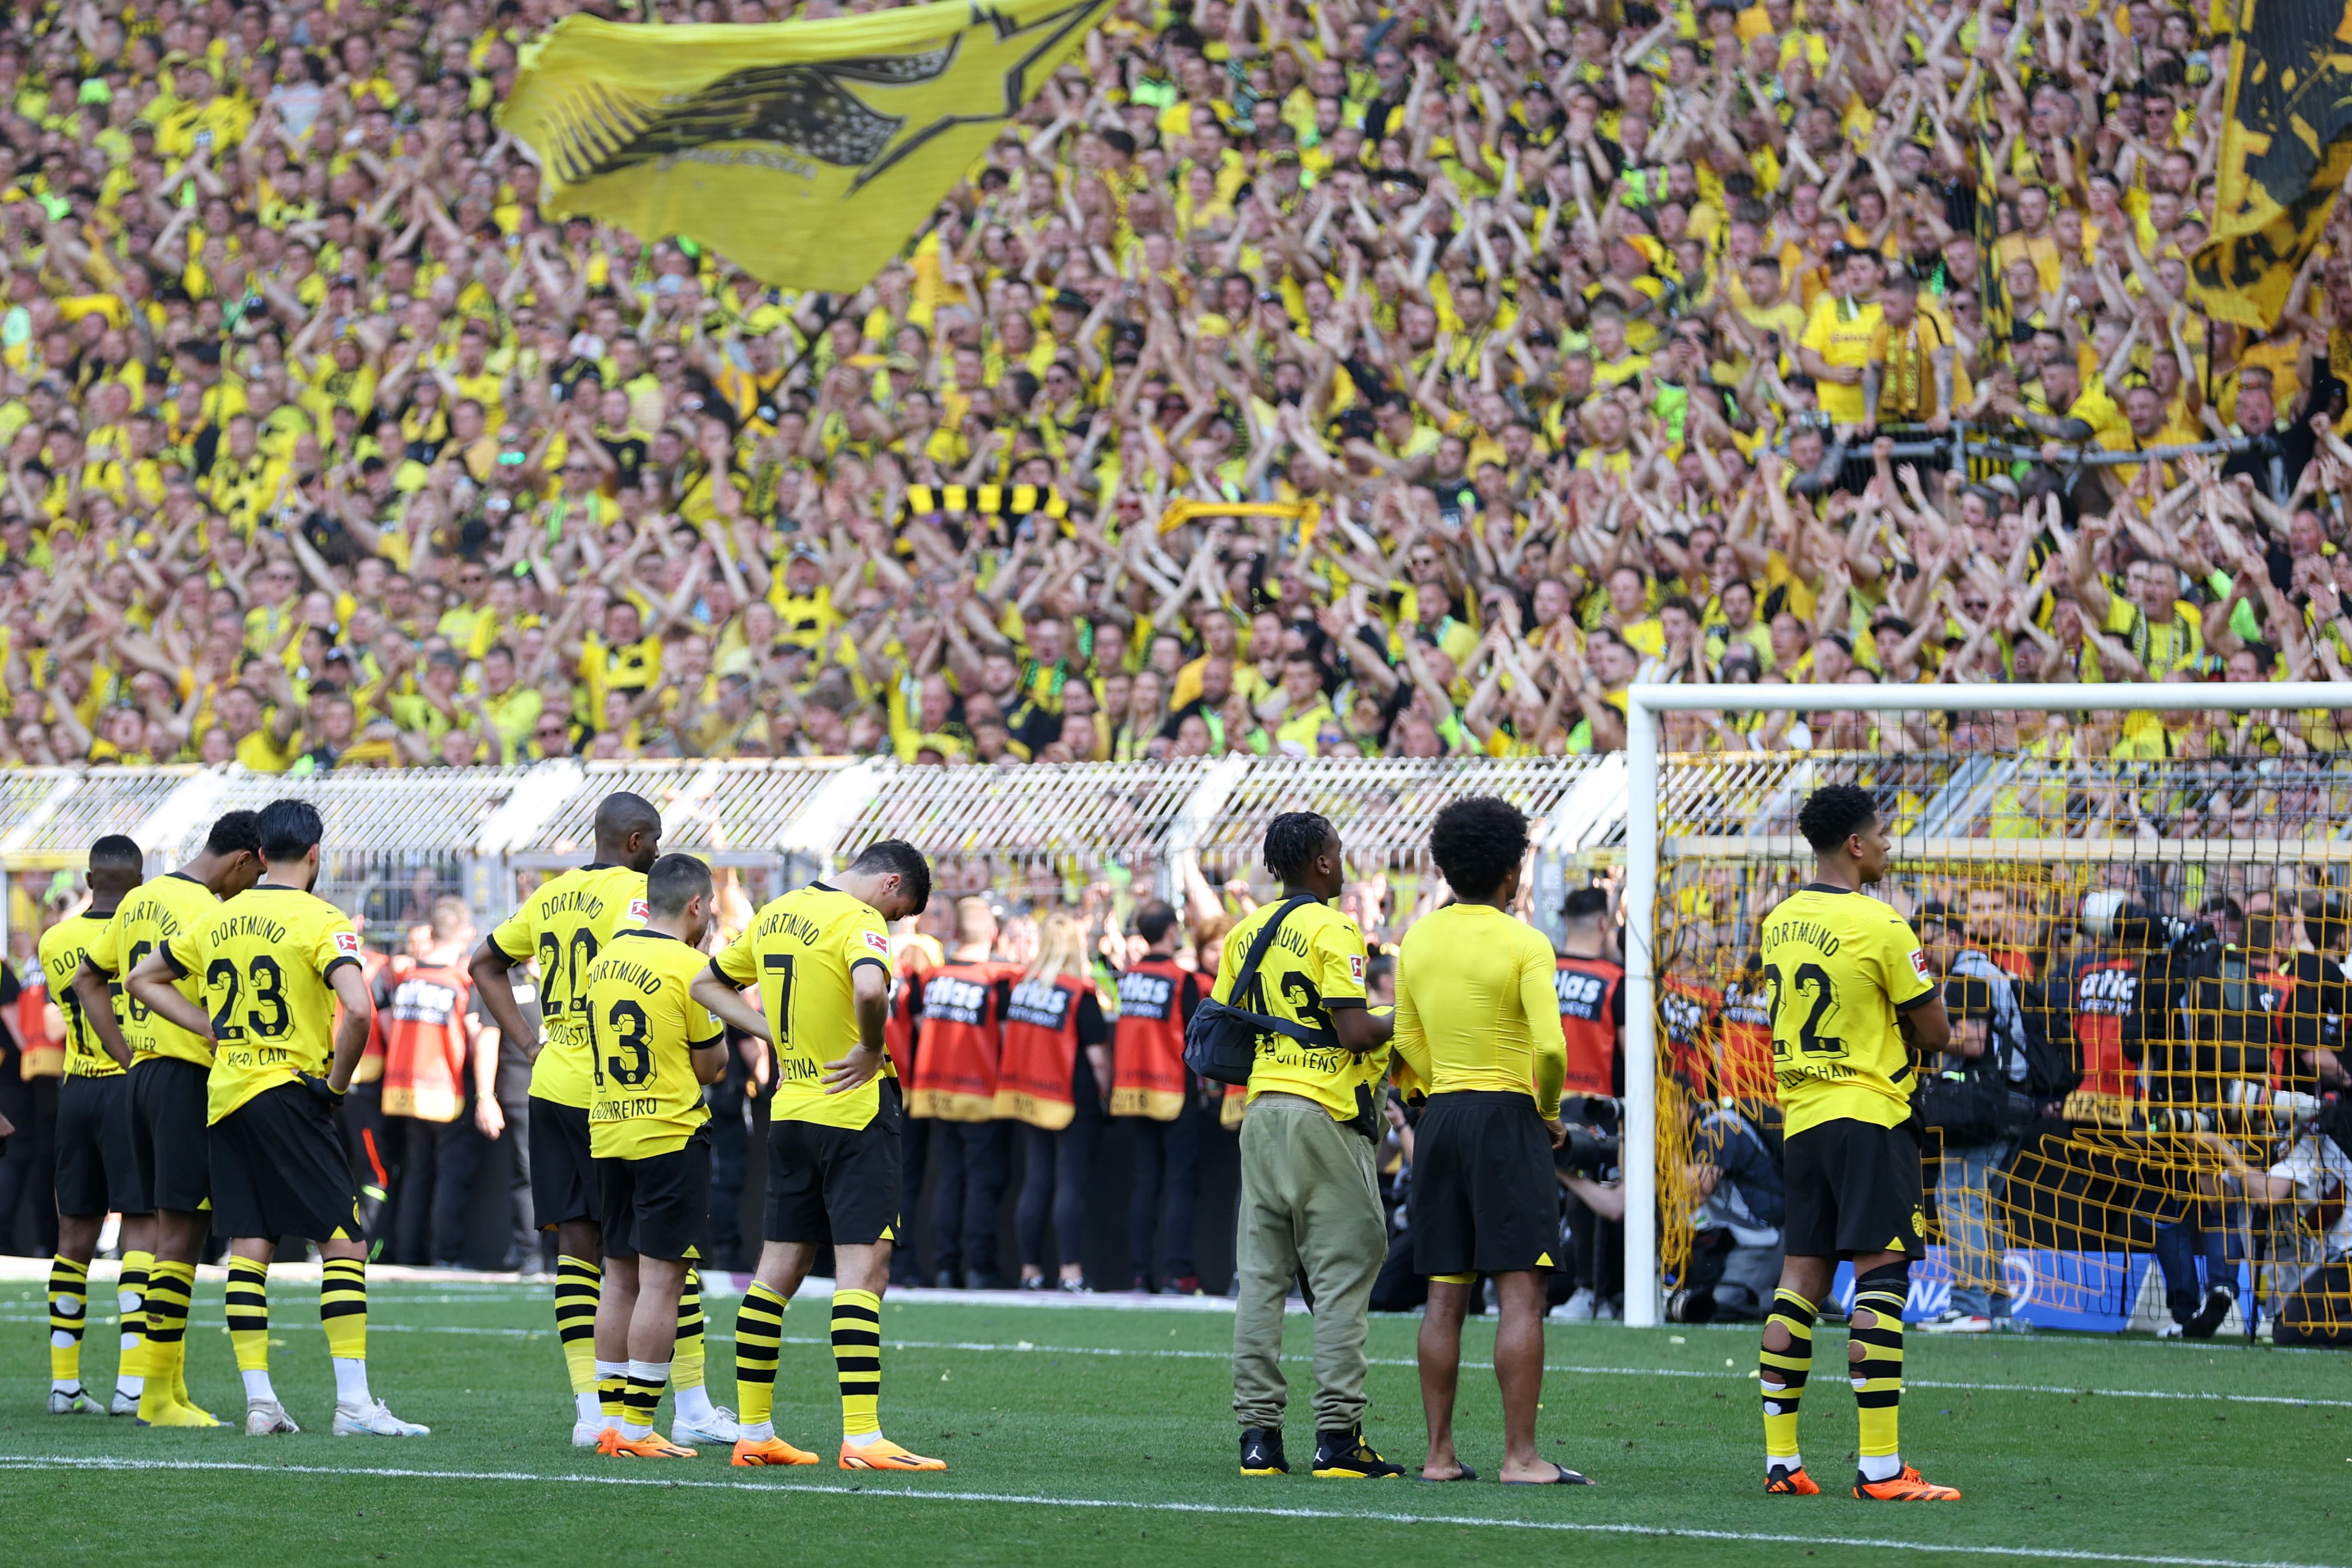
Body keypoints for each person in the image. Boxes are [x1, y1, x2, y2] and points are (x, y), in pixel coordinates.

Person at [127, 798, 428, 1439]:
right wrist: (336, 1087)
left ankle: (261, 1402)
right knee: (344, 1242)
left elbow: (142, 978)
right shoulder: (323, 919)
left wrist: (208, 1027)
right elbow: (358, 1011)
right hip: (291, 1091)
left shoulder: (222, 917)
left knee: (250, 1244)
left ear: (260, 856)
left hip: (226, 1093)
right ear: (315, 854)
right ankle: (353, 1404)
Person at [469, 792, 729, 1448]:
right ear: (638, 843)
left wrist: (529, 1046)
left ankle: (593, 1411)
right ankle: (691, 1403)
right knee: (666, 1257)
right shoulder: (642, 899)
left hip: (552, 1084)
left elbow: (483, 962)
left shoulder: (550, 896)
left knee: (581, 1257)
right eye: (660, 842)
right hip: (624, 1091)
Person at [700, 840, 939, 1471]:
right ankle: (861, 1437)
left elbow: (708, 985)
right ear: (890, 885)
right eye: (900, 912)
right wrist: (869, 1046)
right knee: (863, 1274)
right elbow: (869, 991)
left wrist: (768, 1032)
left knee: (775, 1271)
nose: (892, 922)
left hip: (791, 1110)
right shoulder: (859, 921)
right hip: (854, 1114)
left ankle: (753, 1432)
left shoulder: (776, 912)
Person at [1754, 783, 1957, 1502]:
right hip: (1869, 1115)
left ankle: (1782, 1462)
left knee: (1800, 1282)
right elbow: (1936, 1032)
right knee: (1881, 1278)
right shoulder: (1882, 924)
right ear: (1855, 845)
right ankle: (1879, 1470)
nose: (1890, 845)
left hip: (1802, 1120)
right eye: (1884, 833)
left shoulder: (1778, 921)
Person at [1393, 797, 1585, 1486]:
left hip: (1440, 1118)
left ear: (1443, 868)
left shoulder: (1417, 938)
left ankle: (1439, 1456)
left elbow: (1405, 1038)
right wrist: (1550, 1111)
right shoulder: (1525, 942)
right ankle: (1521, 1458)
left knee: (1445, 1294)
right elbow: (1553, 1048)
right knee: (1519, 1292)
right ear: (1514, 871)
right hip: (1507, 1117)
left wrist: (1427, 1093)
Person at [1222, 811, 1400, 1481]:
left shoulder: (1244, 933)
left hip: (1261, 1109)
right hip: (1323, 1110)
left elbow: (1230, 1026)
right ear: (1323, 862)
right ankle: (1338, 1439)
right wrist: (1404, 1017)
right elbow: (1354, 1031)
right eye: (1339, 848)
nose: (1344, 857)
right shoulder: (1334, 926)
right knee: (1341, 1277)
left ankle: (1259, 1441)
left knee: (1262, 1283)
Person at [73, 808, 263, 1428]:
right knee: (180, 1233)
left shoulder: (139, 899)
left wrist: (126, 1054)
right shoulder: (209, 912)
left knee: (167, 1229)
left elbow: (89, 979)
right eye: (254, 876)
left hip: (144, 1078)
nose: (253, 888)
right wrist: (206, 1029)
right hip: (185, 1078)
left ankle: (169, 1388)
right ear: (241, 861)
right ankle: (156, 1399)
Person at [579, 853, 732, 1460]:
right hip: (669, 1134)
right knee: (663, 1281)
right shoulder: (691, 965)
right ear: (696, 904)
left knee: (618, 1277)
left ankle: (611, 1422)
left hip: (609, 1130)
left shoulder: (606, 959)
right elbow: (712, 1064)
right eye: (711, 905)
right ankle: (640, 1430)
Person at [40, 835, 152, 1417]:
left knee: (73, 1238)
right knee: (141, 1226)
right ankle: (131, 1386)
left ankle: (63, 1385)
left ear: (88, 878)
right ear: (138, 881)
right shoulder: (146, 935)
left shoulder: (54, 939)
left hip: (76, 1088)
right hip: (131, 1086)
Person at [376, 898, 494, 1268]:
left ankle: (410, 1254)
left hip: (402, 1090)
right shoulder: (461, 981)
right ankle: (445, 1255)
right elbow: (476, 1036)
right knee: (450, 1177)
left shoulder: (409, 977)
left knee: (415, 1173)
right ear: (467, 934)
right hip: (447, 1091)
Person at [1000, 912, 1112, 1291]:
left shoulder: (1022, 987)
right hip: (1071, 1097)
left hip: (1029, 1095)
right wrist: (1108, 1095)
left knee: (1036, 1181)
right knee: (1069, 1184)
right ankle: (1071, 1272)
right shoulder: (1079, 993)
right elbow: (1098, 1058)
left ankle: (1030, 1271)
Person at [908, 896, 1014, 1290]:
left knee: (950, 1180)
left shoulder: (933, 977)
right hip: (981, 1094)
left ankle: (947, 1266)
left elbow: (920, 1025)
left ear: (955, 933)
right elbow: (1007, 1037)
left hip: (936, 1092)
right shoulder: (999, 979)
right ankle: (980, 1268)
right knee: (983, 1182)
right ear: (993, 933)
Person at [1112, 901, 1204, 1294]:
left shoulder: (1128, 977)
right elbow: (1196, 1039)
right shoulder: (1183, 980)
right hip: (1174, 1091)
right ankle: (1177, 1273)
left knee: (1145, 1183)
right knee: (1179, 1184)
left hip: (1134, 1092)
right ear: (1171, 931)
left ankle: (1140, 1274)